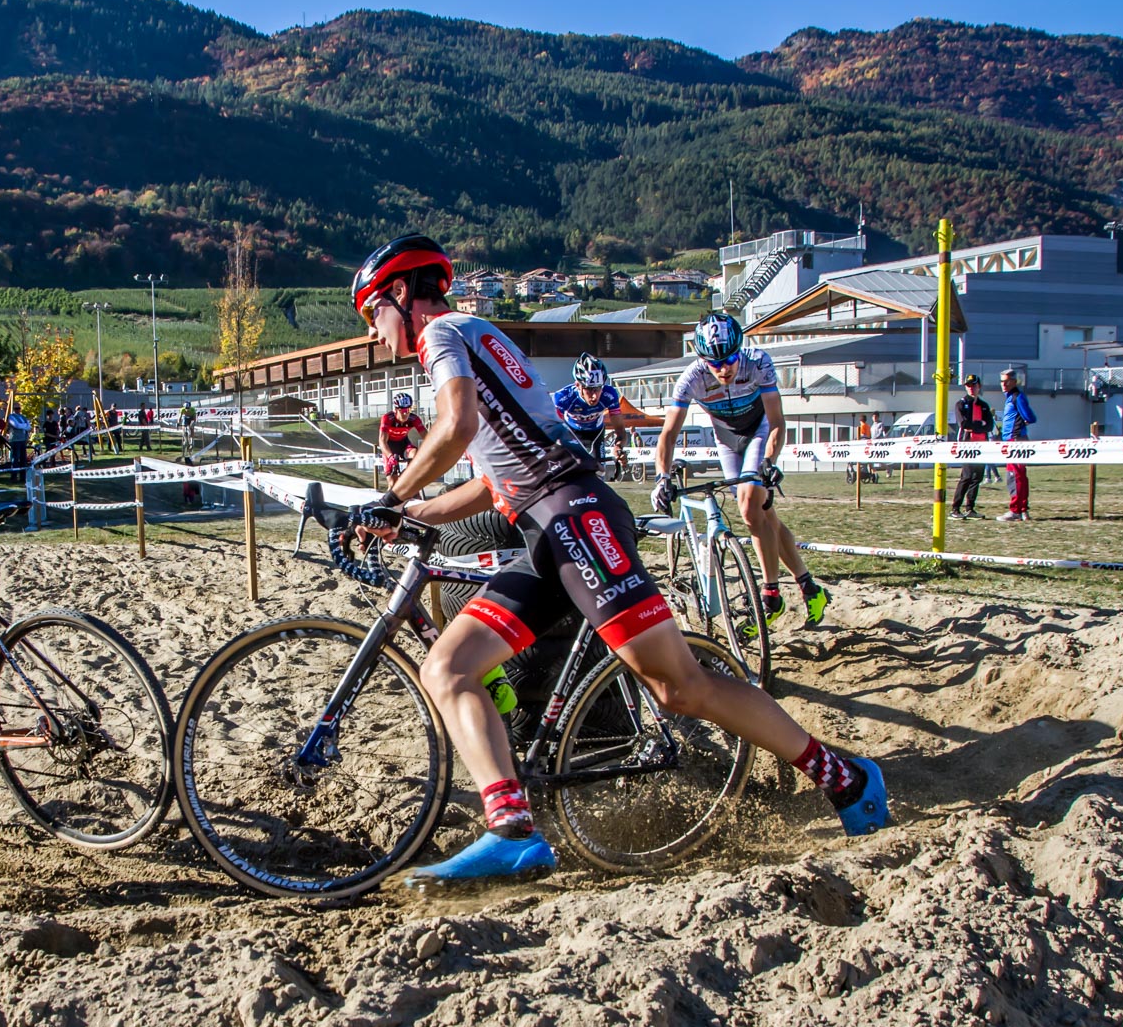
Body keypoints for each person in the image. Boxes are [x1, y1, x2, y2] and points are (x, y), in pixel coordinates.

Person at [345, 236, 887, 884]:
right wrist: (408, 518)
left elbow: (456, 427)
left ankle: (846, 776)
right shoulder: (476, 337)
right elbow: (494, 482)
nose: (374, 333)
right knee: (449, 667)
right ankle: (512, 829)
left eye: (372, 313)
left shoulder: (443, 336)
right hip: (548, 528)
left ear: (402, 295)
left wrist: (391, 495)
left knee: (680, 687)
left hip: (578, 519)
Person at [653, 311, 830, 628]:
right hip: (727, 440)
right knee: (765, 516)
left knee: (749, 508)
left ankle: (771, 595)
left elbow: (777, 422)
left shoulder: (758, 363)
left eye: (730, 359)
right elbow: (668, 434)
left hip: (759, 432)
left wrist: (770, 462)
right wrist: (662, 478)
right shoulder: (691, 379)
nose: (724, 369)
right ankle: (809, 587)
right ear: (702, 360)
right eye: (714, 363)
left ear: (740, 350)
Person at [550, 353, 656, 465]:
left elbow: (620, 430)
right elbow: (553, 430)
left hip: (595, 433)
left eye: (598, 388)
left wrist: (618, 448)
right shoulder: (563, 397)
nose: (594, 395)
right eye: (589, 389)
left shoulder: (609, 395)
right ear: (578, 385)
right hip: (570, 432)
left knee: (599, 470)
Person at [950, 375, 994, 519]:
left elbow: (989, 426)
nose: (971, 388)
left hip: (982, 445)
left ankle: (970, 508)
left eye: (973, 385)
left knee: (977, 477)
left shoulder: (984, 405)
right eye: (968, 385)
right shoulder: (961, 404)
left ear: (979, 386)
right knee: (967, 476)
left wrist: (978, 426)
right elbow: (964, 424)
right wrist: (979, 424)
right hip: (967, 444)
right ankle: (955, 508)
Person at [996, 369, 1036, 521]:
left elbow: (1030, 417)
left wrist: (1025, 420)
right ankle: (1022, 509)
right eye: (1001, 381)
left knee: (1015, 475)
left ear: (1014, 381)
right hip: (1011, 440)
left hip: (1016, 440)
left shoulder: (1017, 397)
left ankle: (1016, 510)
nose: (1003, 384)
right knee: (1018, 475)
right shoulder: (1010, 398)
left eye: (1006, 381)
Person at [377, 393, 428, 484]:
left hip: (404, 443)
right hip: (390, 446)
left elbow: (428, 437)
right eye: (403, 410)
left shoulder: (414, 419)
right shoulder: (387, 418)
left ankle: (405, 477)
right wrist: (390, 456)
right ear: (396, 409)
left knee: (414, 454)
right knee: (392, 484)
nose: (406, 413)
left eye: (409, 409)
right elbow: (382, 441)